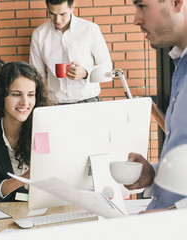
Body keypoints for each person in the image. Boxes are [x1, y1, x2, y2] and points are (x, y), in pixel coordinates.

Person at [126, 0, 187, 210]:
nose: (136, 20)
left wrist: (173, 215)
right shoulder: (181, 66)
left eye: (142, 6)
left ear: (176, 3)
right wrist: (153, 175)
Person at [0, 61, 51, 206]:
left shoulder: (43, 130)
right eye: (16, 94)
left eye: (31, 95)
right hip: (6, 213)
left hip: (43, 209)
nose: (25, 102)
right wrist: (24, 178)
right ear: (2, 96)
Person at [29, 0, 112, 104]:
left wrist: (86, 73)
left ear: (72, 7)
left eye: (62, 14)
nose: (58, 20)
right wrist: (45, 101)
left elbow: (107, 66)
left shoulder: (90, 29)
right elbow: (36, 74)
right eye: (52, 14)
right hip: (55, 105)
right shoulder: (39, 34)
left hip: (89, 102)